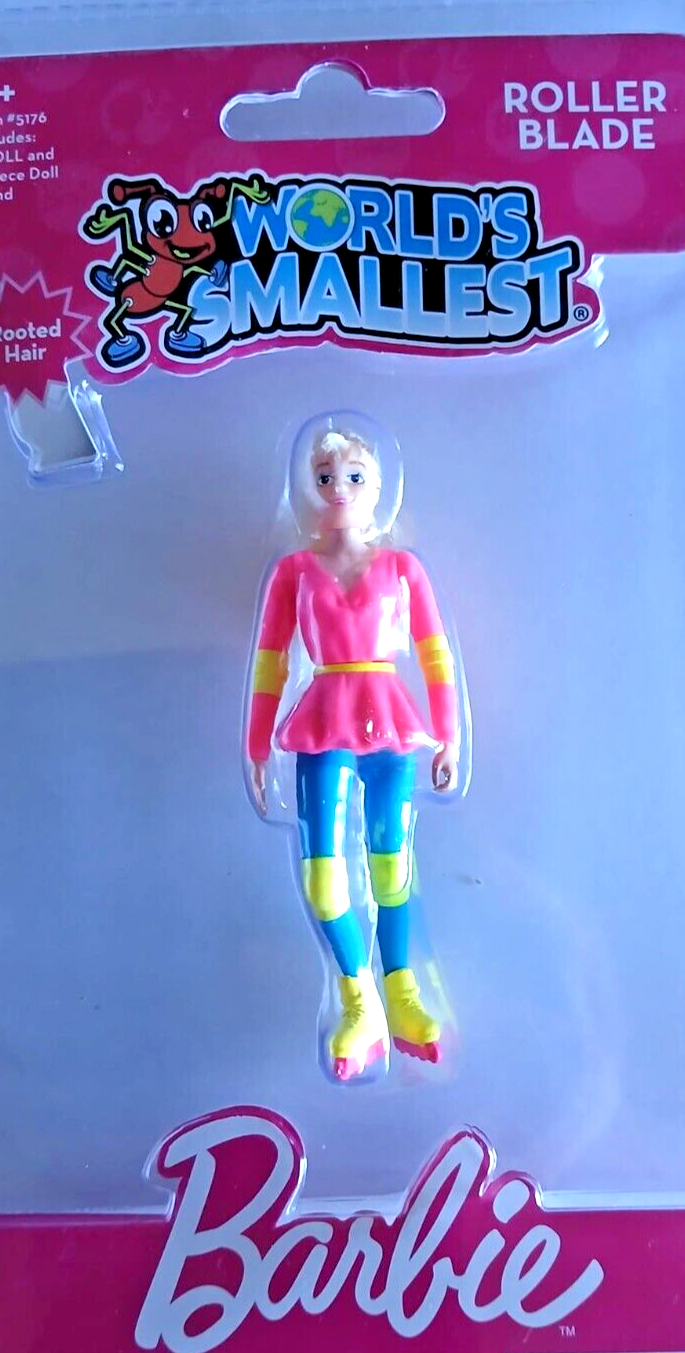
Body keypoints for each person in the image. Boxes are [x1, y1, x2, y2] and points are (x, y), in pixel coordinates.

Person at [246, 423, 461, 1080]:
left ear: (375, 488)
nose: (339, 488)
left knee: (391, 868)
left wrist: (448, 732)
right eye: (326, 478)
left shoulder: (402, 569)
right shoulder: (293, 572)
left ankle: (402, 994)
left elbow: (434, 653)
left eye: (354, 477)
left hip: (389, 722)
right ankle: (358, 999)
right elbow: (271, 660)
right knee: (324, 876)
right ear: (311, 488)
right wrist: (256, 743)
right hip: (323, 718)